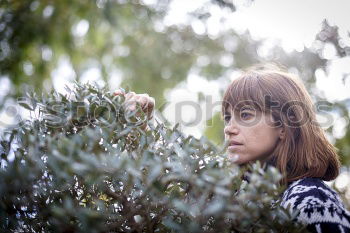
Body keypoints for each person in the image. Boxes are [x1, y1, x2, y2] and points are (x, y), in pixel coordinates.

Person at [114, 65, 350, 232]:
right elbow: (167, 186)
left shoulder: (311, 198)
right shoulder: (232, 200)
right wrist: (140, 127)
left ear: (284, 126)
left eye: (245, 115)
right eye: (228, 117)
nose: (229, 129)